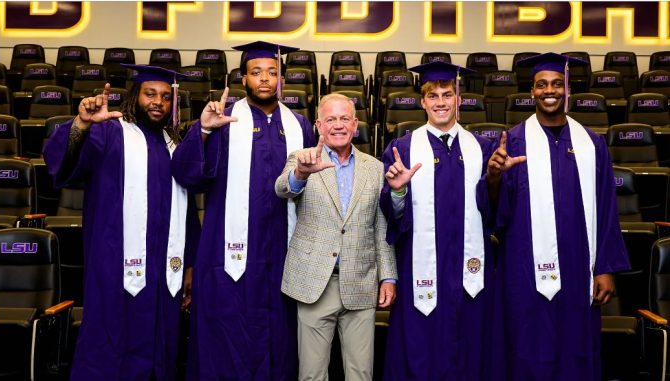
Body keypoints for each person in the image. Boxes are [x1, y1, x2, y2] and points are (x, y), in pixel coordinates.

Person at [43, 64, 201, 380]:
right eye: (150, 94)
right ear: (135, 96)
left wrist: (189, 266)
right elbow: (63, 162)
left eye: (166, 97)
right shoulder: (110, 134)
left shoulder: (176, 147)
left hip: (163, 272)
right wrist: (81, 124)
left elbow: (187, 211)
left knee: (162, 345)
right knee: (110, 345)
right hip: (115, 266)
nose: (159, 102)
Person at [171, 41, 315, 380]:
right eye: (256, 73)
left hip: (283, 248)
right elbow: (188, 175)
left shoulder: (300, 126)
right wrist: (204, 131)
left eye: (272, 72)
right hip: (227, 250)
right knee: (227, 333)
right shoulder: (224, 122)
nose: (264, 79)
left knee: (280, 337)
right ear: (243, 79)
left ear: (281, 79)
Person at [486, 52, 630, 380]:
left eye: (555, 84)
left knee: (574, 346)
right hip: (523, 266)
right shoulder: (513, 142)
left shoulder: (592, 144)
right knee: (525, 343)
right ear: (531, 92)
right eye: (541, 85)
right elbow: (497, 216)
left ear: (567, 90)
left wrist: (605, 268)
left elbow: (607, 208)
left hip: (579, 265)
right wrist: (495, 177)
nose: (548, 90)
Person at [380, 61, 497, 380]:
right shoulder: (402, 149)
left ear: (459, 99)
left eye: (448, 94)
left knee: (470, 342)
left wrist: (499, 179)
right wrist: (398, 192)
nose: (441, 102)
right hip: (421, 267)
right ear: (423, 101)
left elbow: (496, 212)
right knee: (421, 344)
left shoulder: (482, 149)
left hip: (468, 269)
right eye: (433, 96)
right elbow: (390, 215)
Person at [275, 93, 397, 381]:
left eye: (345, 119)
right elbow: (283, 189)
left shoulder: (375, 167)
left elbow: (381, 226)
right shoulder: (302, 159)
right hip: (314, 282)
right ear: (319, 125)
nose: (338, 125)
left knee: (361, 374)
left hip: (361, 282)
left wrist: (388, 277)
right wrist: (301, 174)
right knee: (312, 375)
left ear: (355, 125)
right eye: (331, 119)